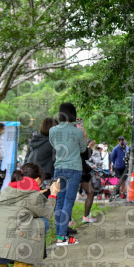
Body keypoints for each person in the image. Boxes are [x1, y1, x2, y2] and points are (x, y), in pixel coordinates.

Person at [0, 163, 60, 267]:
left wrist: (36, 194)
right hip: (4, 254)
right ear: (37, 180)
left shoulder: (7, 191)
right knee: (42, 222)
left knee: (11, 221)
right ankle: (21, 265)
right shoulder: (33, 196)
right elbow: (47, 213)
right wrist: (53, 194)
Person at [49, 103, 87, 246]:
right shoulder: (78, 132)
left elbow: (54, 145)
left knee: (59, 201)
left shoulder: (53, 130)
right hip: (74, 169)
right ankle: (62, 236)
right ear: (73, 114)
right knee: (68, 202)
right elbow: (83, 149)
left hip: (59, 168)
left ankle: (60, 234)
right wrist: (84, 134)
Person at [81, 143, 102, 222]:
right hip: (82, 173)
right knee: (90, 193)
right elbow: (84, 158)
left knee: (68, 197)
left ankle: (69, 220)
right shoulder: (80, 146)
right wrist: (88, 147)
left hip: (80, 172)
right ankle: (86, 216)